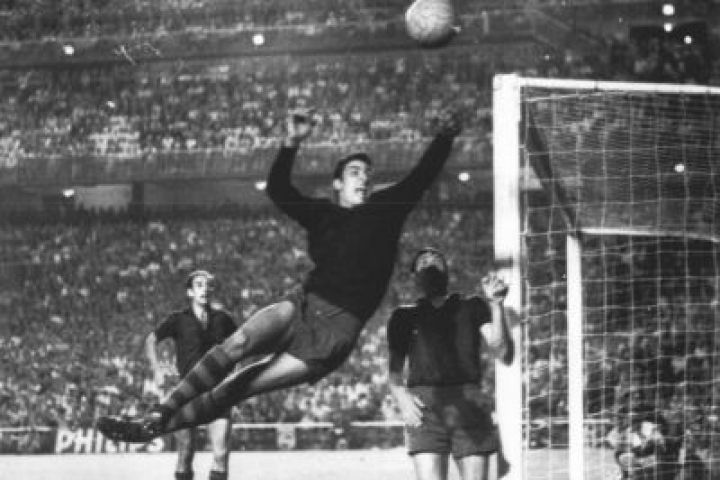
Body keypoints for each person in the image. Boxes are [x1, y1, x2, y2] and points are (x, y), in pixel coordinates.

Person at [97, 107, 462, 442]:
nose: (363, 178)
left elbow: (421, 177)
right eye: (354, 172)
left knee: (238, 388)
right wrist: (290, 142)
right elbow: (279, 190)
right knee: (237, 344)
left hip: (337, 330)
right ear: (337, 183)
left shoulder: (386, 209)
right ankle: (158, 412)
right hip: (303, 304)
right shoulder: (321, 213)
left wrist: (444, 137)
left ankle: (153, 430)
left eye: (367, 173)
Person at [386, 247, 511, 480]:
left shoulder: (472, 305)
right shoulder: (403, 317)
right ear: (415, 277)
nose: (429, 261)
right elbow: (394, 376)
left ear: (447, 271)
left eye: (436, 259)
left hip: (468, 401)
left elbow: (501, 350)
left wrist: (496, 305)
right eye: (423, 261)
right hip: (425, 407)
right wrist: (402, 398)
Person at [146, 270, 238, 480]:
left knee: (221, 453)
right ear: (190, 292)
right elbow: (151, 339)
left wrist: (235, 376)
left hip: (217, 391)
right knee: (186, 452)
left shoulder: (223, 319)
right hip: (187, 392)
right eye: (199, 285)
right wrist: (157, 370)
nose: (205, 289)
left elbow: (240, 344)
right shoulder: (178, 319)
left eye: (209, 285)